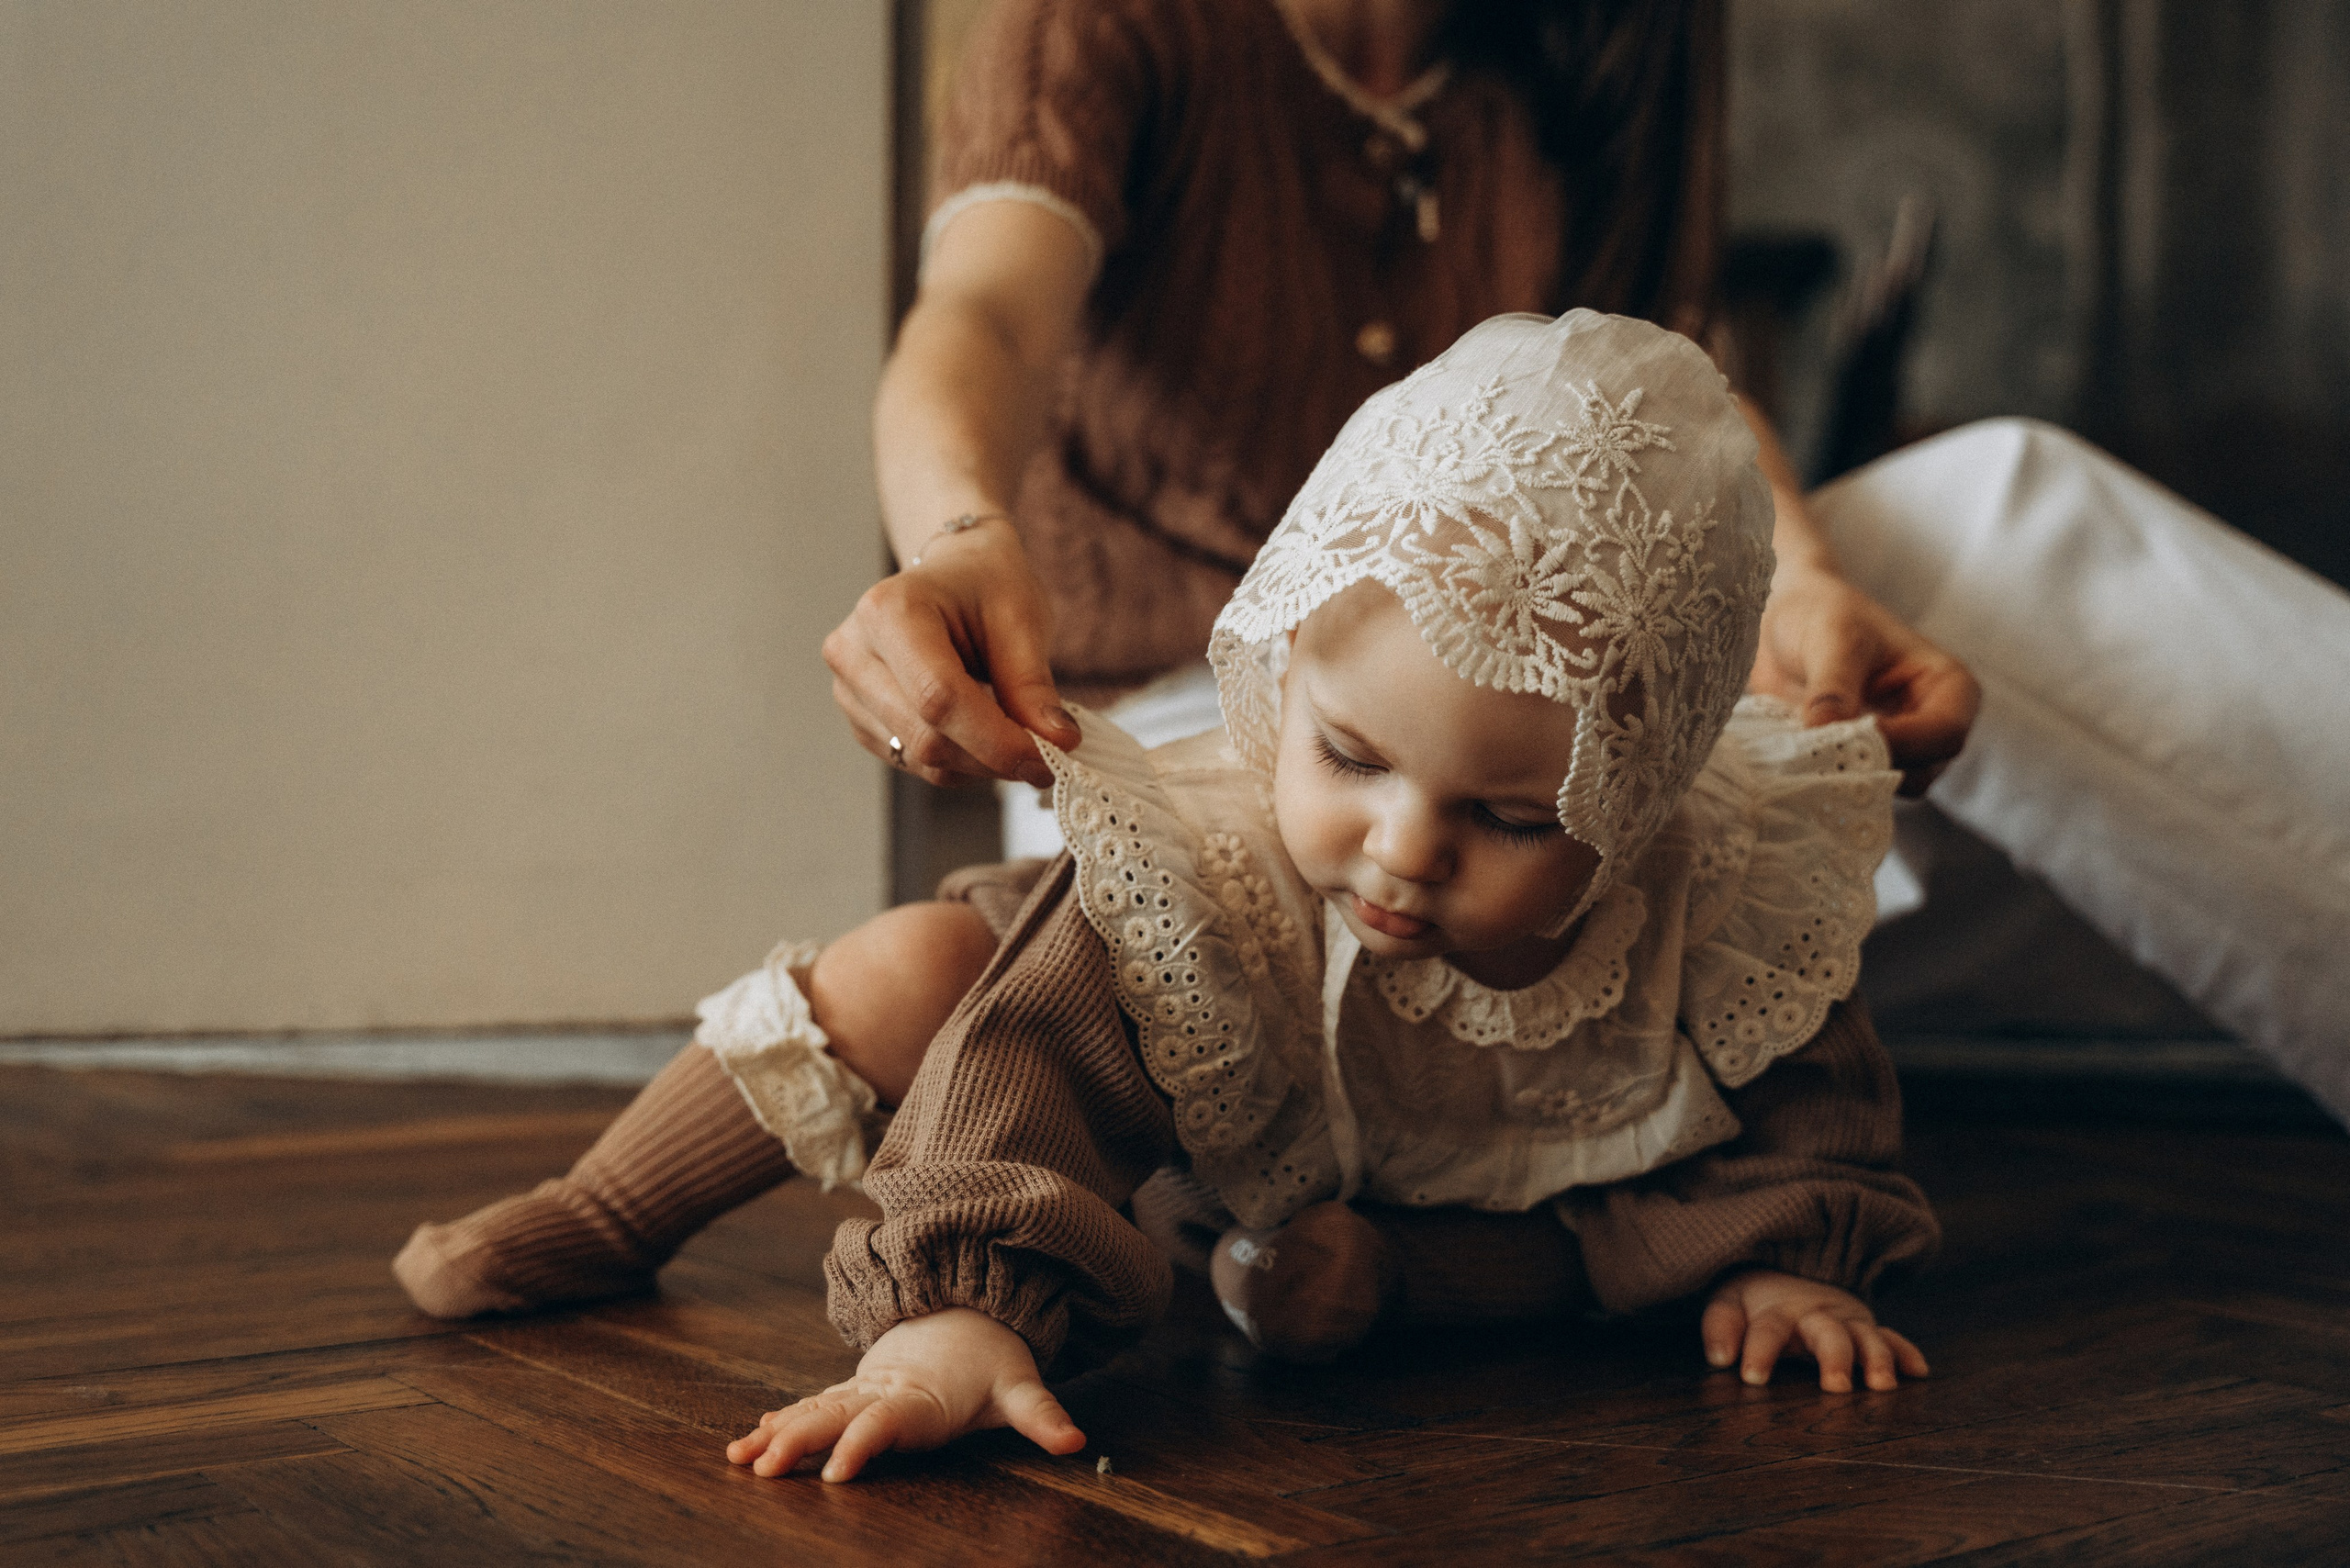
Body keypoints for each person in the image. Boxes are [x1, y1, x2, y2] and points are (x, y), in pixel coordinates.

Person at [397, 312, 1940, 1483]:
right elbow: (1032, 1068)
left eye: (1511, 817)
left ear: (1646, 797)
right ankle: (607, 1204)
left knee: (1518, 1252)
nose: (1403, 848)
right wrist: (963, 1313)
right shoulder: (1198, 879)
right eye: (1348, 755)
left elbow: (1814, 1087)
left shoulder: (1712, 887)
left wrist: (1796, 1251)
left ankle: (1353, 1283)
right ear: (1282, 681)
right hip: (1178, 1113)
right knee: (926, 972)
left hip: (1441, 1202)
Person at [829, 0, 1979, 813]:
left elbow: (1669, 392)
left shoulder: (1583, 57)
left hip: (1541, 716)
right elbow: (987, 316)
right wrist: (958, 536)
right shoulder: (1106, 24)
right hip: (1190, 731)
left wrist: (1805, 585)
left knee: (2016, 493)